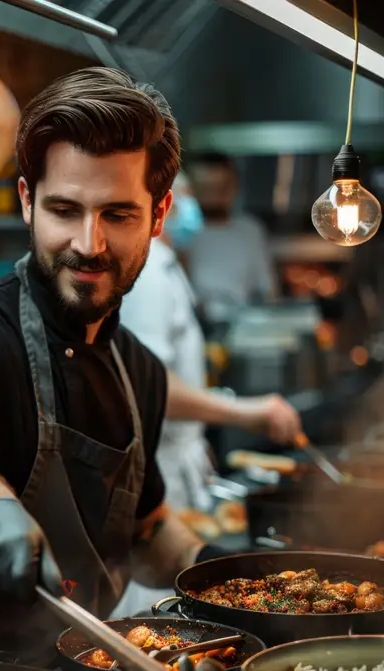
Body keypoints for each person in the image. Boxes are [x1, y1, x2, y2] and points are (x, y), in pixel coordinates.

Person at [0, 67, 225, 661]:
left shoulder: (138, 372)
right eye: (65, 209)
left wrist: (219, 576)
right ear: (28, 202)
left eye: (118, 214)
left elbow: (148, 528)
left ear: (158, 215)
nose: (89, 243)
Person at [120, 177, 301, 512]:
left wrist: (196, 436)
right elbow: (147, 382)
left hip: (179, 458)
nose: (191, 211)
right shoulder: (148, 275)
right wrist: (248, 413)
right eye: (182, 202)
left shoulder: (167, 266)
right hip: (162, 473)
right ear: (157, 209)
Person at [185, 152, 278, 325]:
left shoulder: (250, 231)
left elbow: (268, 291)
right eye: (206, 188)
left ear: (233, 187)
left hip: (243, 328)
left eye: (219, 188)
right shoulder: (181, 232)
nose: (213, 196)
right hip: (195, 326)